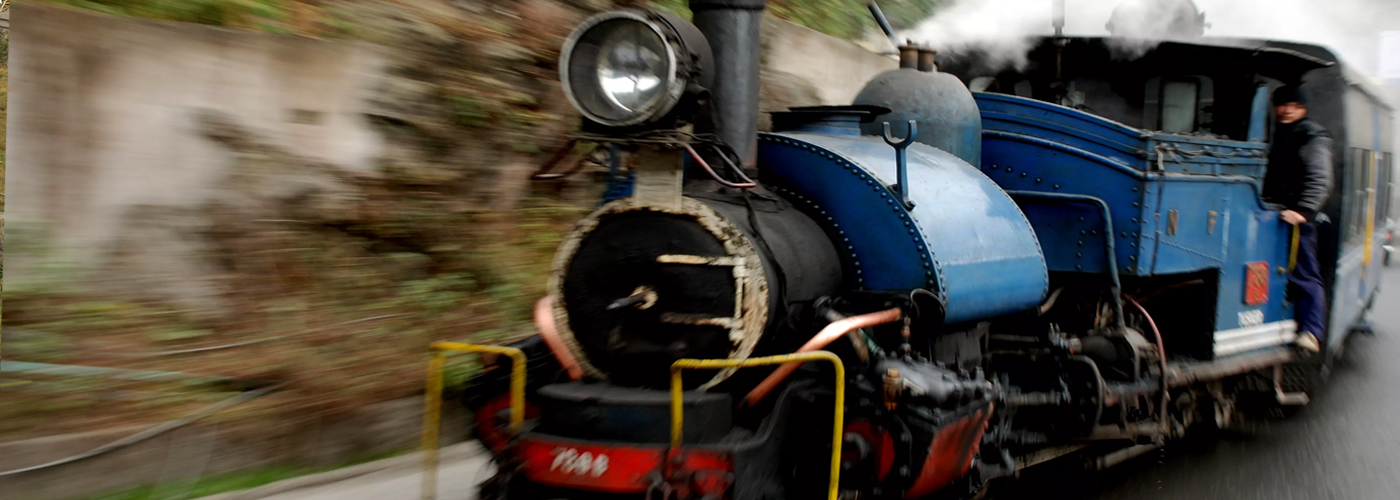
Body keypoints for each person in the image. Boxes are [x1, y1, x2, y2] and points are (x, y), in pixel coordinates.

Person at [1262, 84, 1333, 353]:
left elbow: (1321, 179)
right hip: (1274, 214)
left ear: (1302, 108)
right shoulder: (1275, 133)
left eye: (1293, 105)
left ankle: (1311, 332)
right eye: (1282, 104)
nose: (1287, 110)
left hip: (1297, 218)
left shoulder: (1313, 137)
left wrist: (1303, 212)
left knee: (1305, 273)